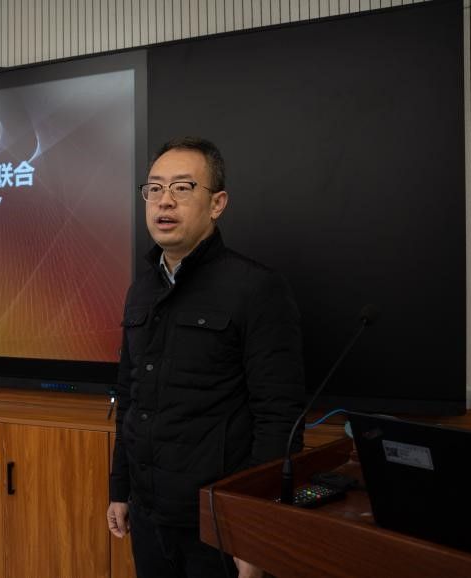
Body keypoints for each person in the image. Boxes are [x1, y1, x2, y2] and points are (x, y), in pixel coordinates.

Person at [107, 137, 305, 578]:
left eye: (182, 187)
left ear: (217, 204)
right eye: (154, 188)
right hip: (148, 515)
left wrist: (255, 529)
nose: (164, 201)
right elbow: (129, 397)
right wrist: (120, 490)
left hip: (217, 525)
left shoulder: (256, 289)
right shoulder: (141, 290)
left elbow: (279, 419)